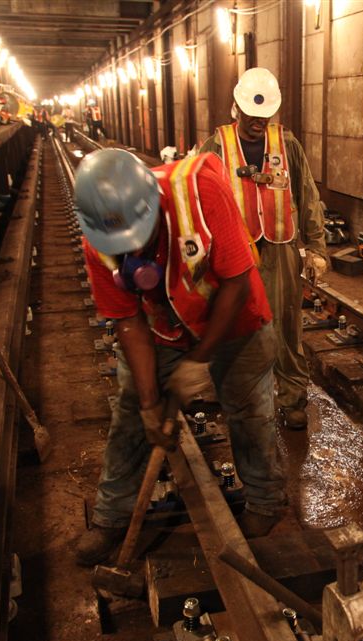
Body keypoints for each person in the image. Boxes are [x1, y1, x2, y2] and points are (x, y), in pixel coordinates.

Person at [73, 148, 287, 566]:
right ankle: (112, 516)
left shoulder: (200, 188)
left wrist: (200, 360)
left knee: (248, 411)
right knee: (132, 411)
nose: (132, 253)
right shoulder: (96, 241)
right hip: (164, 326)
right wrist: (153, 402)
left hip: (236, 317)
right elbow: (127, 320)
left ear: (154, 205)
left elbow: (237, 283)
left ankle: (265, 502)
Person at [199, 67, 328, 430]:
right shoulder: (215, 148)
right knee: (239, 328)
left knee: (287, 327)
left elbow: (308, 197)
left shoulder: (287, 145)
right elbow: (199, 201)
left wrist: (317, 247)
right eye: (252, 116)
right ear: (236, 109)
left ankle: (292, 399)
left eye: (265, 116)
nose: (258, 122)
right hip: (235, 255)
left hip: (281, 249)